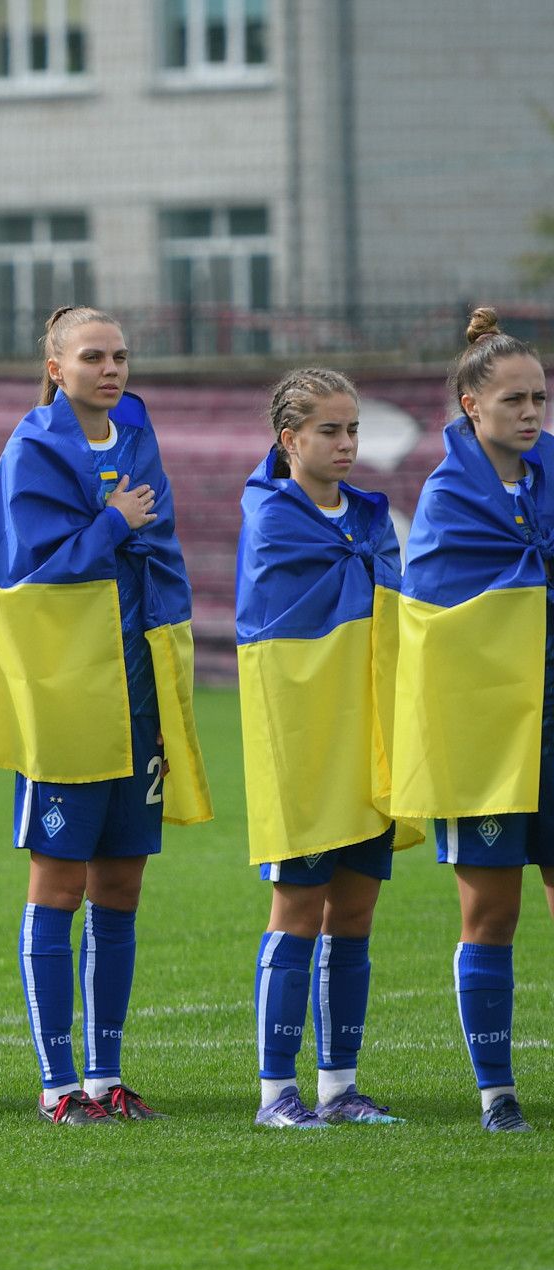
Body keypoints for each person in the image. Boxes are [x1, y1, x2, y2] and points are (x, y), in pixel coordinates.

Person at [0, 306, 212, 1125]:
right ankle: (57, 1086)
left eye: (120, 356)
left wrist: (167, 693)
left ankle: (106, 1077)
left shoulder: (139, 439)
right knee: (58, 883)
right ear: (56, 368)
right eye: (92, 357)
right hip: (66, 694)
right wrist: (113, 523)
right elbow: (26, 575)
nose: (110, 369)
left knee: (120, 884)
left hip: (136, 693)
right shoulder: (33, 449)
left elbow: (163, 560)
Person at [236, 369, 414, 1128]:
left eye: (353, 430)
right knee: (297, 906)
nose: (346, 444)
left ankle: (340, 1088)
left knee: (357, 909)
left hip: (366, 734)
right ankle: (276, 1093)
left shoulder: (371, 516)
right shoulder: (273, 518)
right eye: (329, 431)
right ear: (290, 439)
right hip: (305, 740)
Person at [392, 308, 554, 1133]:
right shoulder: (449, 496)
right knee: (492, 914)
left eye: (540, 399)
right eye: (514, 400)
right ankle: (497, 1095)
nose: (530, 413)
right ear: (470, 405)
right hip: (487, 733)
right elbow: (432, 617)